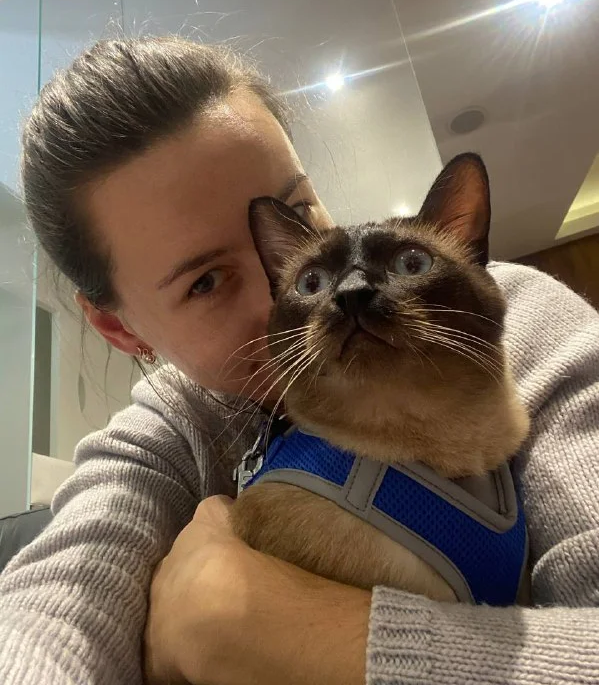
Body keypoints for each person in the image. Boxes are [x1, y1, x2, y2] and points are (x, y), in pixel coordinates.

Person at [0, 36, 597, 685]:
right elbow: (53, 610)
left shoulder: (516, 322)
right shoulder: (170, 433)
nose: (283, 300)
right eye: (205, 282)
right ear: (120, 328)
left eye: (298, 215)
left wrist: (308, 635)